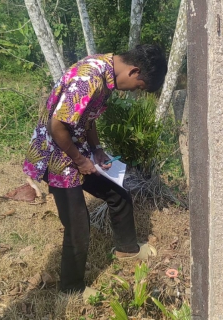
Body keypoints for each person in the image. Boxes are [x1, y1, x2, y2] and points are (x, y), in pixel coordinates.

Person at [23, 44, 167, 294]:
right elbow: (57, 125)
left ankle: (127, 250)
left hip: (75, 148)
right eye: (139, 87)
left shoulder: (107, 74)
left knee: (118, 194)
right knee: (77, 225)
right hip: (58, 154)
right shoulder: (89, 79)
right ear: (134, 72)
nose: (134, 92)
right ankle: (72, 288)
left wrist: (97, 149)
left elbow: (87, 118)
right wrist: (80, 160)